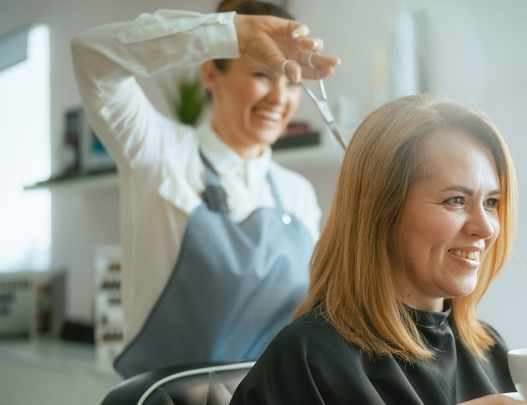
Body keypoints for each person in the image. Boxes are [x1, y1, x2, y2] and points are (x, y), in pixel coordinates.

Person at [223, 95, 527, 405]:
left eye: (491, 202)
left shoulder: (487, 348)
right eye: (455, 200)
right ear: (381, 212)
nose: (486, 227)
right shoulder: (305, 362)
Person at [71, 0, 340, 377]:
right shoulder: (158, 152)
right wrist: (230, 34)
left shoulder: (297, 194)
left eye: (292, 81)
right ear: (211, 73)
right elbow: (90, 54)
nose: (280, 98)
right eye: (263, 74)